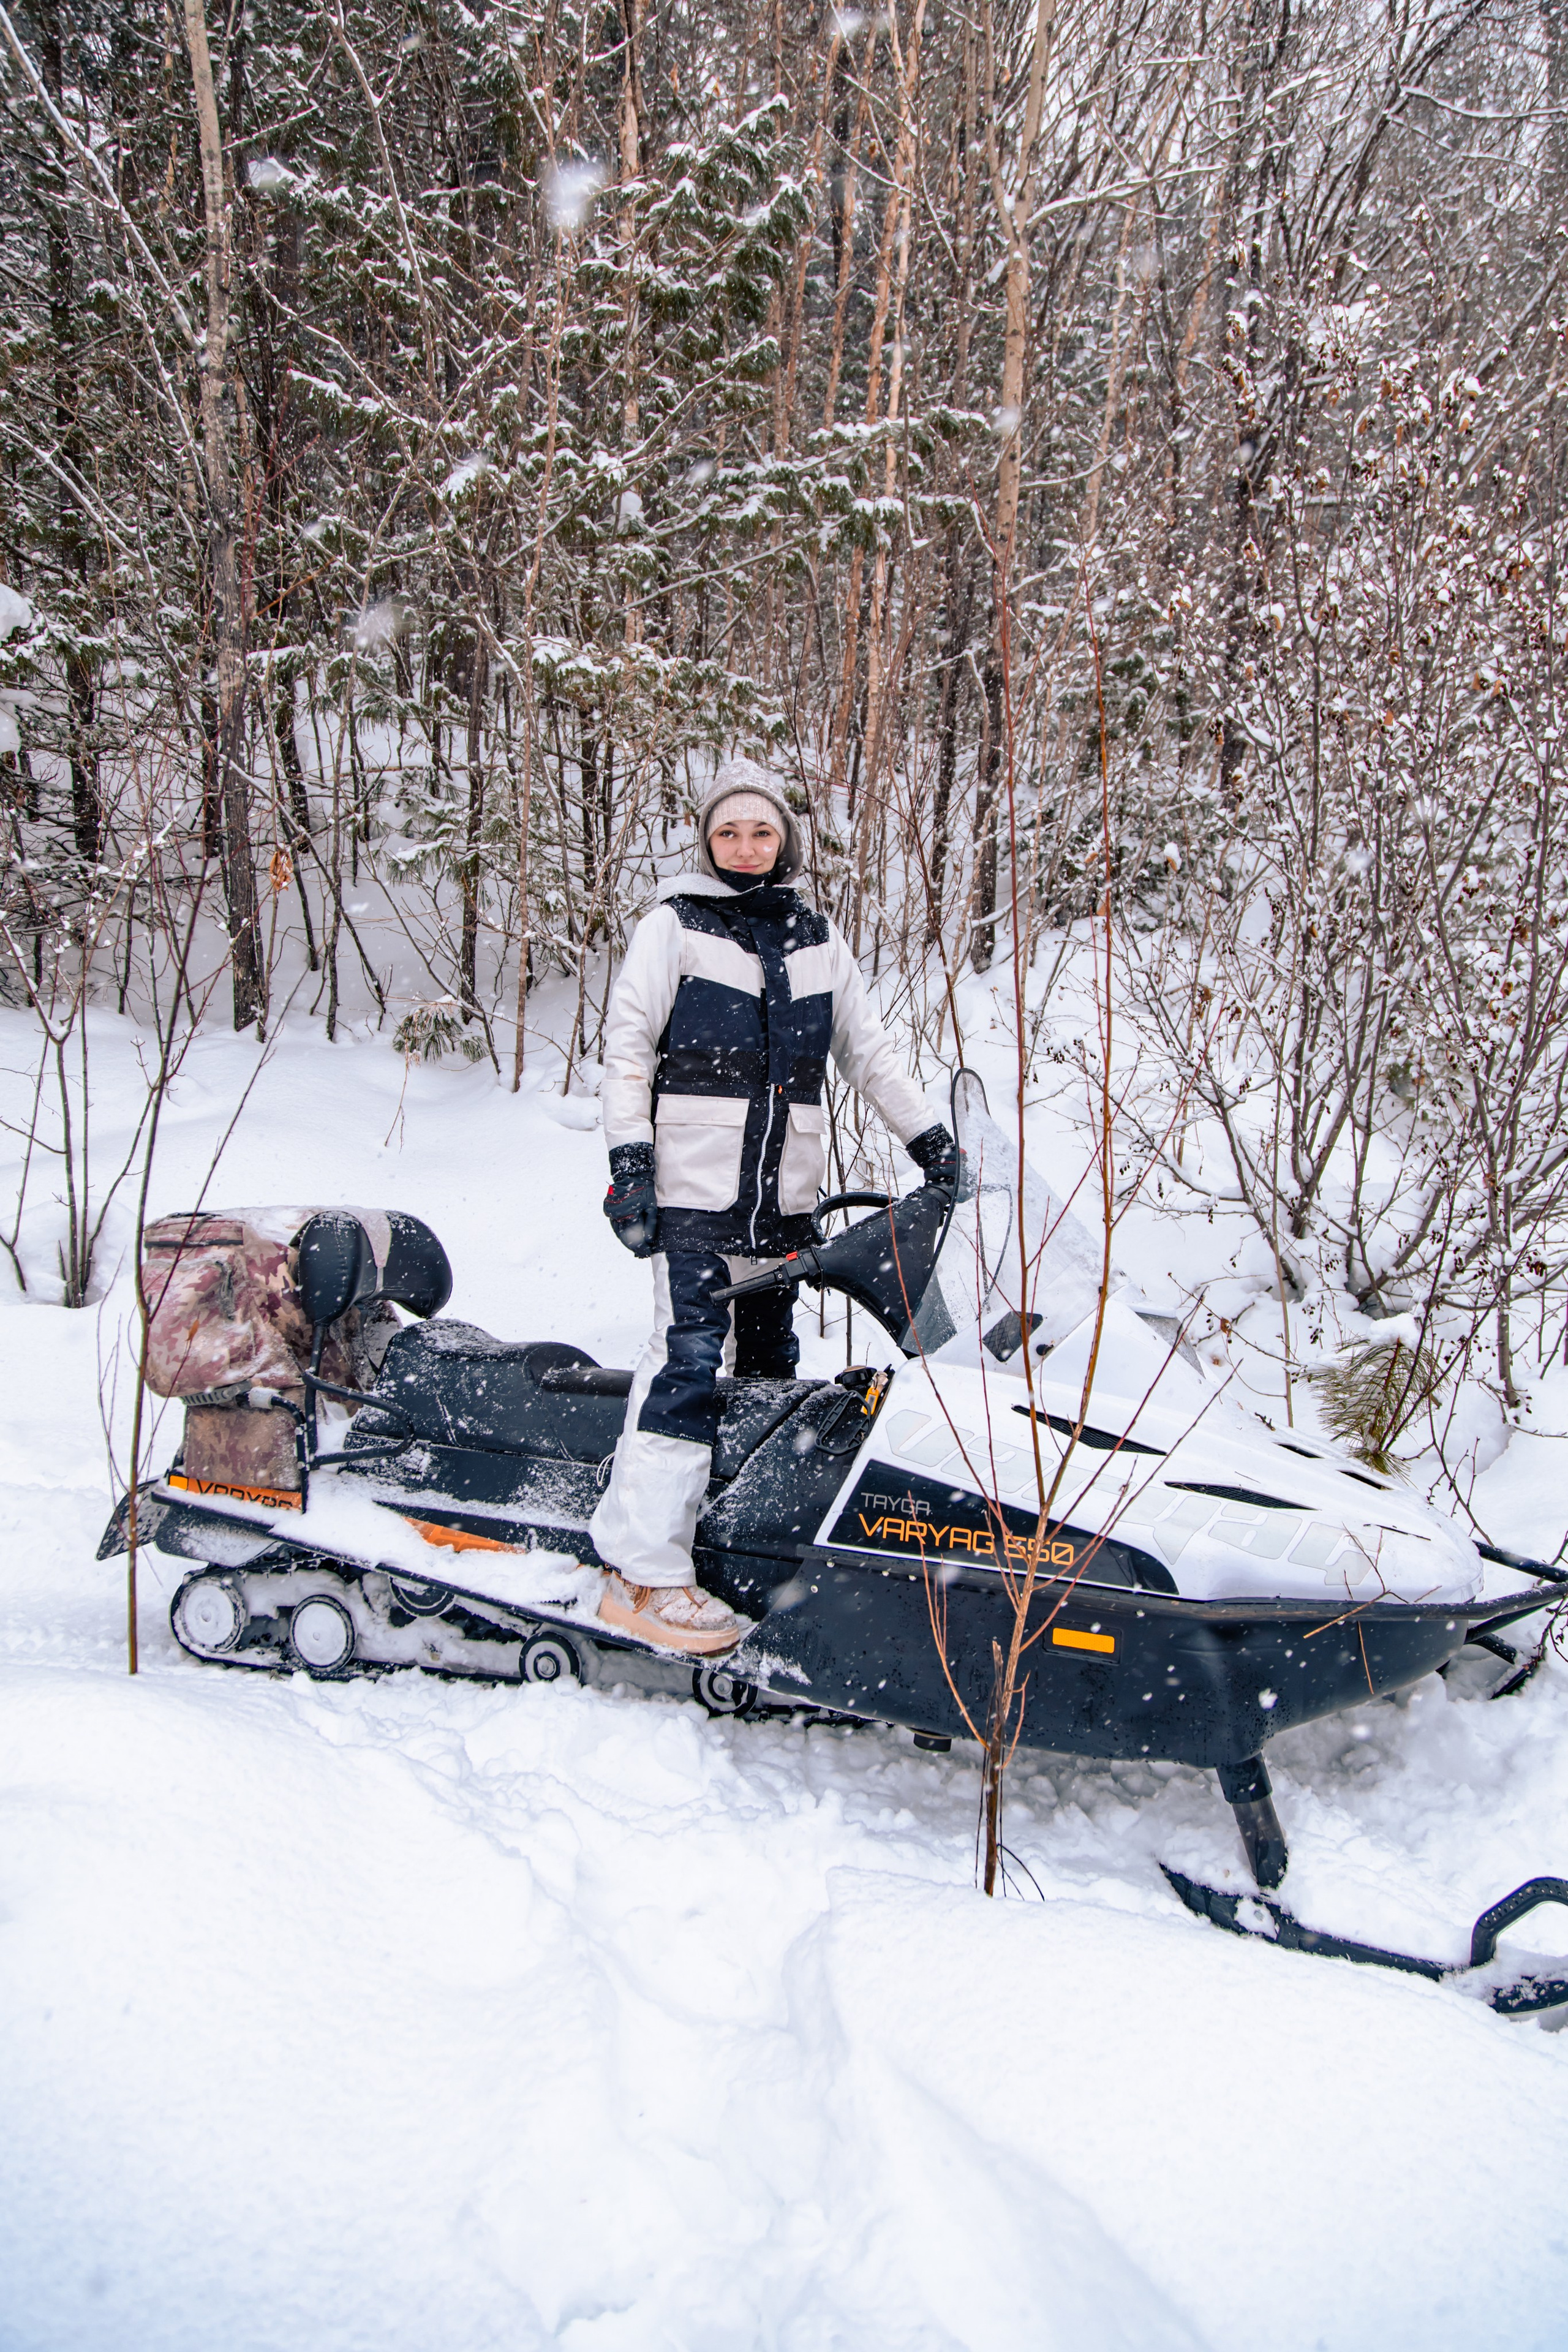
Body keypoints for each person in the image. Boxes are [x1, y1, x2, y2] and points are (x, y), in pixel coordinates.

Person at [589, 756, 959, 1655]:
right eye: (729, 832)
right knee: (685, 1364)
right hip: (694, 1195)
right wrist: (630, 1165)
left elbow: (866, 1052)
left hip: (782, 1202)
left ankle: (733, 1537)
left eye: (762, 832)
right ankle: (642, 1570)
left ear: (784, 840)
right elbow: (628, 1046)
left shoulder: (817, 940)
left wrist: (930, 1139)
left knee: (766, 1363)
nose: (746, 847)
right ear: (707, 841)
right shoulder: (672, 927)